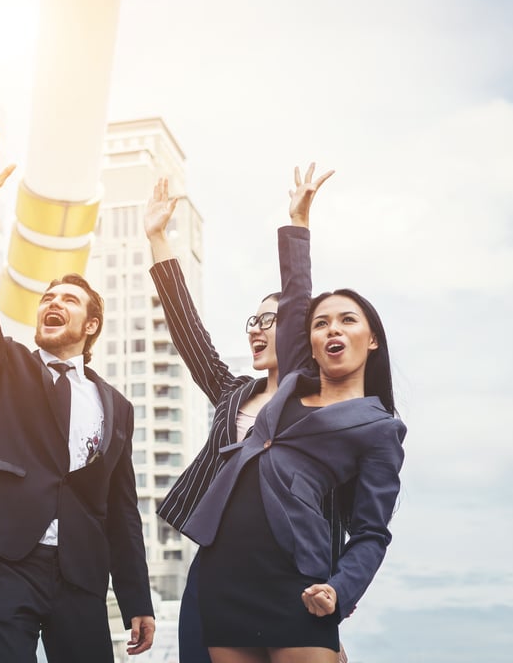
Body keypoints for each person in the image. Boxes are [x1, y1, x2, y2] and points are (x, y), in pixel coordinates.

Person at [181, 164, 407, 663]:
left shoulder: (380, 429)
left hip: (298, 583)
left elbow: (372, 531)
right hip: (225, 576)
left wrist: (341, 591)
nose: (332, 329)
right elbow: (297, 292)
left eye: (348, 320)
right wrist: (298, 222)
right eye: (321, 322)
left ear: (371, 340)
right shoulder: (290, 385)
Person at [0, 128, 156, 663]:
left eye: (67, 299)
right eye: (47, 297)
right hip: (9, 557)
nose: (52, 303)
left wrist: (136, 597)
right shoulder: (7, 366)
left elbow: (123, 509)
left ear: (91, 325)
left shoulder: (118, 408)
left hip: (81, 573)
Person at [144, 178, 348, 663]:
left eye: (268, 320)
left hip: (294, 571)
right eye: (252, 321)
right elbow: (188, 330)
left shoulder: (322, 407)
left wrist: (339, 582)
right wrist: (158, 239)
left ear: (298, 330)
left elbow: (335, 500)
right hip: (219, 567)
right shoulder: (233, 394)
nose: (255, 330)